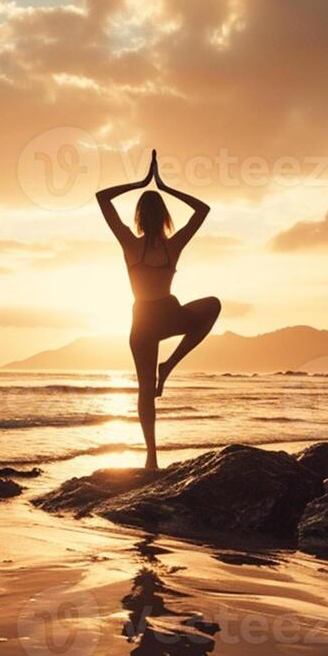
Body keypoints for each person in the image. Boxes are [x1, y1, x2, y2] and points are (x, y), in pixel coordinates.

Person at [96, 150, 221, 470]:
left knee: (144, 392)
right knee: (212, 307)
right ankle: (169, 365)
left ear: (138, 217)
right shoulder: (172, 245)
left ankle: (151, 457)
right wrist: (164, 187)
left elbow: (103, 198)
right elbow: (202, 209)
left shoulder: (129, 243)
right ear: (164, 216)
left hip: (141, 322)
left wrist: (139, 183)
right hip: (167, 314)